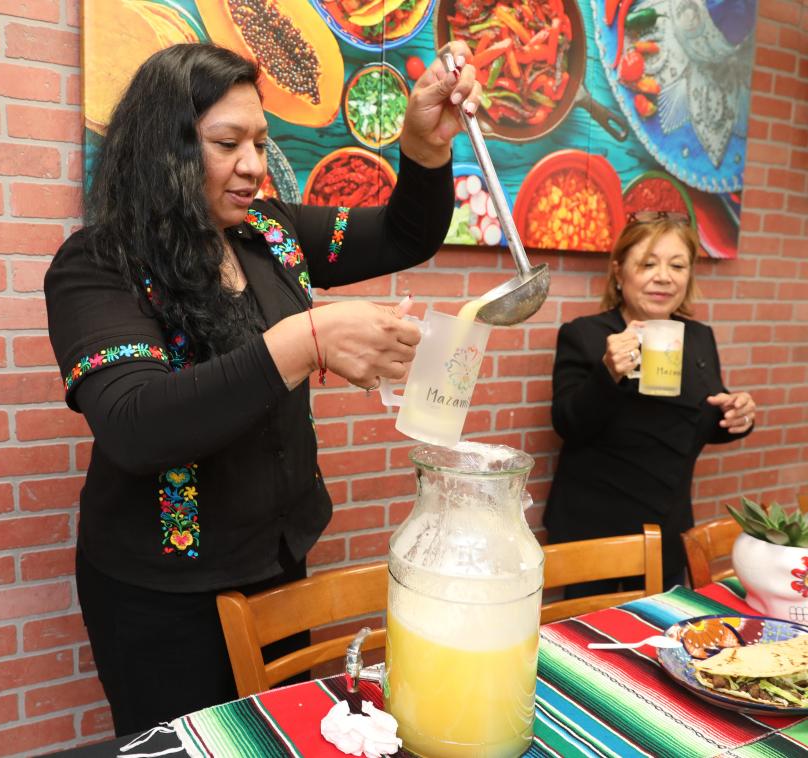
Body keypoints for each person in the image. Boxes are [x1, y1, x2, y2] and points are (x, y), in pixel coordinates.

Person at [44, 42, 481, 734]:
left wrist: (423, 147)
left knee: (273, 739)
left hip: (276, 564)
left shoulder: (269, 233)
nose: (253, 164)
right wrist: (305, 340)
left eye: (259, 140)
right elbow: (134, 426)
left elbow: (406, 233)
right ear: (165, 150)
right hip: (162, 597)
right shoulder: (98, 266)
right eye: (227, 143)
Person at [544, 212, 757, 594]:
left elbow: (700, 421)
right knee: (591, 646)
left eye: (678, 265)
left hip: (667, 528)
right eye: (647, 264)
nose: (664, 277)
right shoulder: (587, 335)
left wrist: (737, 415)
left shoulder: (698, 338)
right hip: (594, 532)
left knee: (659, 638)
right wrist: (608, 373)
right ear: (618, 271)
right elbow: (568, 423)